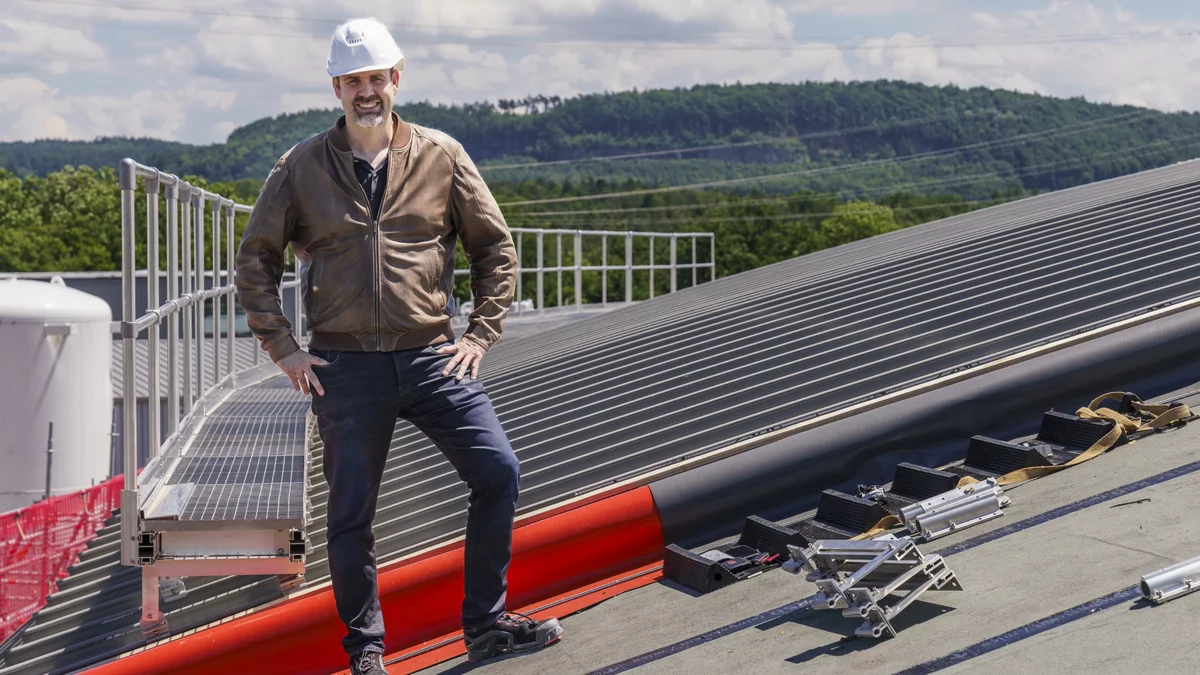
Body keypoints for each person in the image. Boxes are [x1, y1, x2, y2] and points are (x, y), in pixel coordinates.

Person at [235, 17, 562, 675]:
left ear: (396, 78)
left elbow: (494, 246)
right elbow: (256, 259)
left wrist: (481, 332)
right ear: (336, 86)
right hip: (345, 366)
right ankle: (367, 653)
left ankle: (488, 623)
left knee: (499, 471)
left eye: (376, 78)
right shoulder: (300, 168)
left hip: (433, 355)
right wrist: (285, 348)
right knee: (351, 516)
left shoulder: (441, 155)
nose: (366, 92)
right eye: (353, 80)